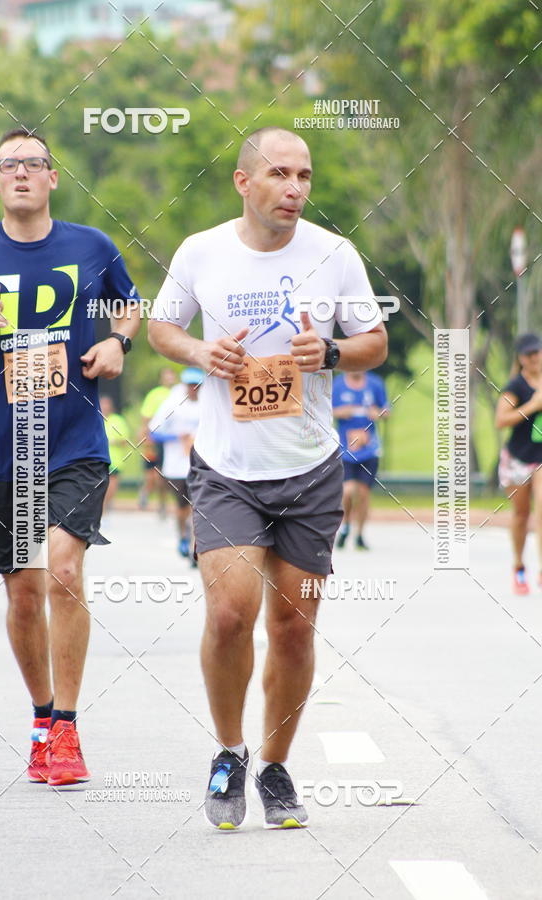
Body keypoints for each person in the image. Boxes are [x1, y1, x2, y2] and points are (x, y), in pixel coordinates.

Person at [148, 126, 387, 829]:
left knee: (293, 628)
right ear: (244, 182)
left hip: (311, 470)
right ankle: (230, 752)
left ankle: (276, 769)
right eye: (280, 173)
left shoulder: (335, 255)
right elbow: (163, 327)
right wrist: (200, 349)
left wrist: (333, 351)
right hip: (228, 469)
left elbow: (374, 343)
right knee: (229, 615)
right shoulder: (203, 252)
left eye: (305, 176)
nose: (295, 188)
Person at [0, 129, 141, 785]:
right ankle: (40, 717)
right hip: (3, 449)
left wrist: (118, 343)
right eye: (10, 165)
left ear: (53, 178)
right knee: (24, 594)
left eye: (34, 163)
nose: (22, 173)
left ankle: (67, 729)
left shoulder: (91, 246)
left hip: (74, 443)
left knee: (61, 570)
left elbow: (130, 307)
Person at [495, 333, 542, 595]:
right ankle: (519, 566)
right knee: (521, 515)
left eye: (537, 352)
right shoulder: (516, 386)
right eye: (529, 354)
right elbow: (500, 420)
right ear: (521, 358)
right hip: (518, 458)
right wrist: (533, 405)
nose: (535, 358)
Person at [149, 367, 203, 559]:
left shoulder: (209, 401)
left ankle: (197, 545)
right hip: (177, 467)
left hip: (202, 466)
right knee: (181, 507)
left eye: (197, 385)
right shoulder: (173, 401)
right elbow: (153, 432)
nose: (193, 389)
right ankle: (182, 536)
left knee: (199, 507)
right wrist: (177, 437)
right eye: (190, 385)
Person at [332, 370, 389, 550]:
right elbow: (326, 410)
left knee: (363, 493)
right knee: (347, 491)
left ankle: (360, 534)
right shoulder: (338, 384)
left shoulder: (375, 383)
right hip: (345, 450)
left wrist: (378, 413)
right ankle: (346, 525)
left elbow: (387, 411)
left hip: (369, 450)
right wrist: (341, 412)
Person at [137, 367, 177, 513]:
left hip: (172, 440)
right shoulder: (154, 395)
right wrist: (146, 438)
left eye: (171, 375)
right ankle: (145, 493)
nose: (170, 378)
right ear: (161, 378)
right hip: (155, 439)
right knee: (152, 474)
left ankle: (163, 503)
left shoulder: (179, 393)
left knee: (164, 475)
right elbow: (145, 419)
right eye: (167, 375)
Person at [100, 395, 131, 514]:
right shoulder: (95, 418)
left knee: (111, 488)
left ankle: (105, 508)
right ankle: (101, 512)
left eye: (107, 404)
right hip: (98, 460)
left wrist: (113, 441)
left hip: (114, 460)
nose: (105, 407)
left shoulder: (118, 420)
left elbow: (125, 440)